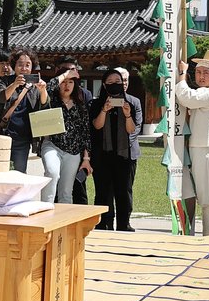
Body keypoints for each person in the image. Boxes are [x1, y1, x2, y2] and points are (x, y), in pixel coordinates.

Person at [175, 50, 209, 236]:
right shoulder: (205, 92)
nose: (201, 76)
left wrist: (182, 74)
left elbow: (185, 97)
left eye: (206, 72)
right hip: (198, 147)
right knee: (199, 194)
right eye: (198, 72)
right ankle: (199, 236)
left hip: (207, 148)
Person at [92, 67, 142, 230]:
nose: (115, 84)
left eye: (118, 81)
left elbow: (132, 130)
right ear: (104, 85)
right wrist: (104, 110)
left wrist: (127, 114)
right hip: (103, 154)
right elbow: (96, 126)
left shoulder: (133, 102)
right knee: (103, 192)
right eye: (110, 82)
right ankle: (104, 223)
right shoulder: (96, 103)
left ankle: (123, 223)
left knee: (124, 191)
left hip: (125, 154)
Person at [40, 65, 92, 203]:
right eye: (64, 82)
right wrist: (66, 74)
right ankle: (45, 207)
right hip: (52, 145)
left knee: (66, 191)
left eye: (70, 82)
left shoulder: (80, 105)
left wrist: (86, 158)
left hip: (73, 151)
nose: (67, 85)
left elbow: (85, 133)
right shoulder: (52, 99)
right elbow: (49, 87)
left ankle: (63, 216)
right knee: (52, 173)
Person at [0, 50, 49, 173]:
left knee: (18, 173)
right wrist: (14, 85)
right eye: (20, 64)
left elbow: (44, 105)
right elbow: (0, 97)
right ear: (14, 66)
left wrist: (43, 90)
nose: (24, 68)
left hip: (22, 138)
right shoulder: (5, 81)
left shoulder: (35, 85)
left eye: (28, 65)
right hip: (3, 134)